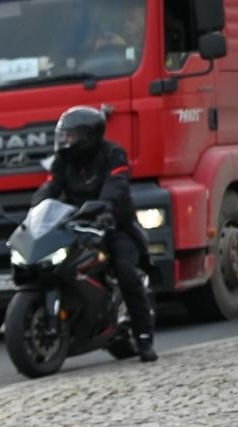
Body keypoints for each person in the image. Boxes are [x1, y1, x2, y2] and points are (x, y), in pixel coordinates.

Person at [34, 106, 156, 361]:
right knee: (49, 264)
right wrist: (36, 209)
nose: (65, 142)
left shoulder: (113, 154)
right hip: (75, 225)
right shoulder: (62, 161)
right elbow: (51, 187)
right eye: (62, 136)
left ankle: (144, 337)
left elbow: (117, 184)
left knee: (126, 272)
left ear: (89, 136)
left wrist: (105, 209)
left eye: (71, 137)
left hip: (115, 225)